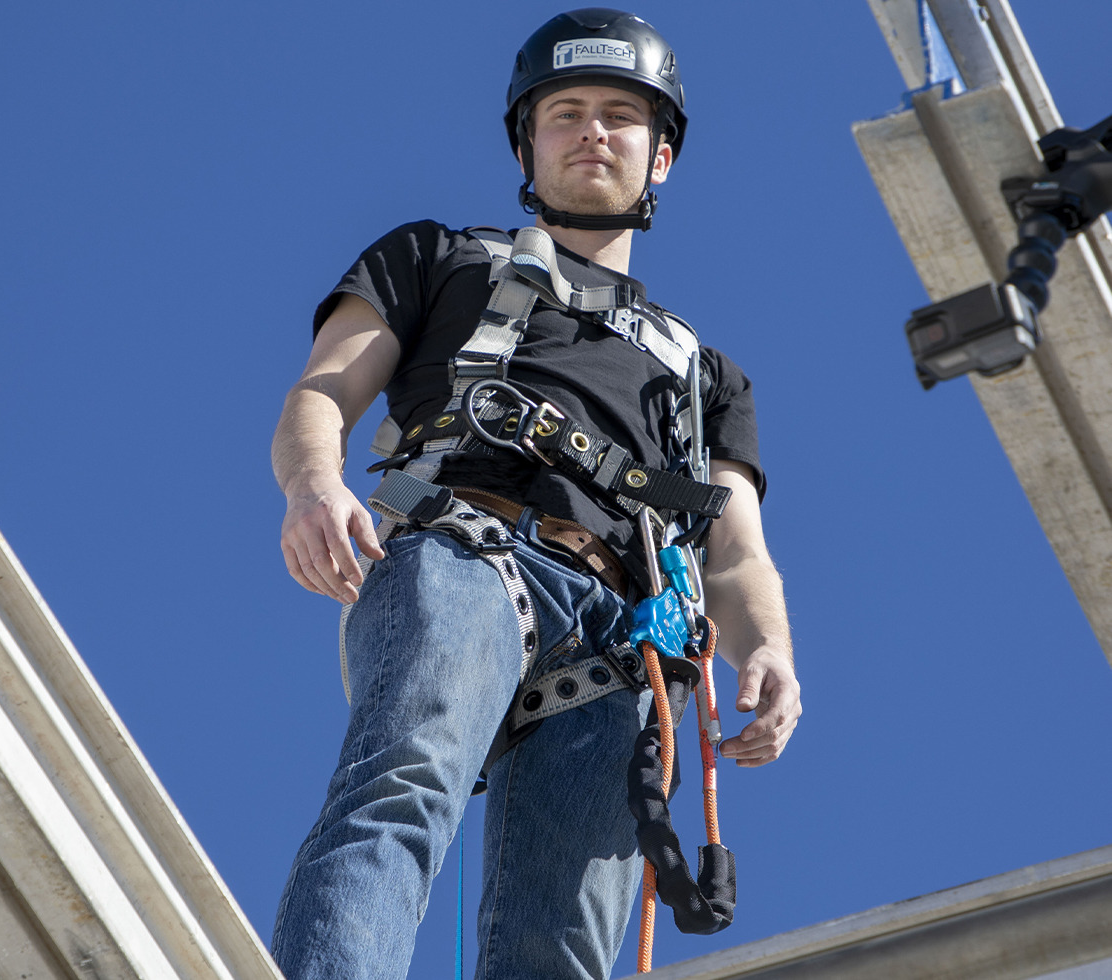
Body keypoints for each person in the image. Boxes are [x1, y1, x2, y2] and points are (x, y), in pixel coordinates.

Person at [269, 9, 801, 980]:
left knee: (563, 941)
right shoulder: (435, 259)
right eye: (564, 112)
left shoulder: (705, 377)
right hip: (464, 550)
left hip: (626, 642)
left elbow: (738, 549)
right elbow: (322, 390)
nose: (592, 130)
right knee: (402, 783)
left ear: (662, 156)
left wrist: (769, 647)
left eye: (618, 115)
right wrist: (315, 485)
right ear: (528, 140)